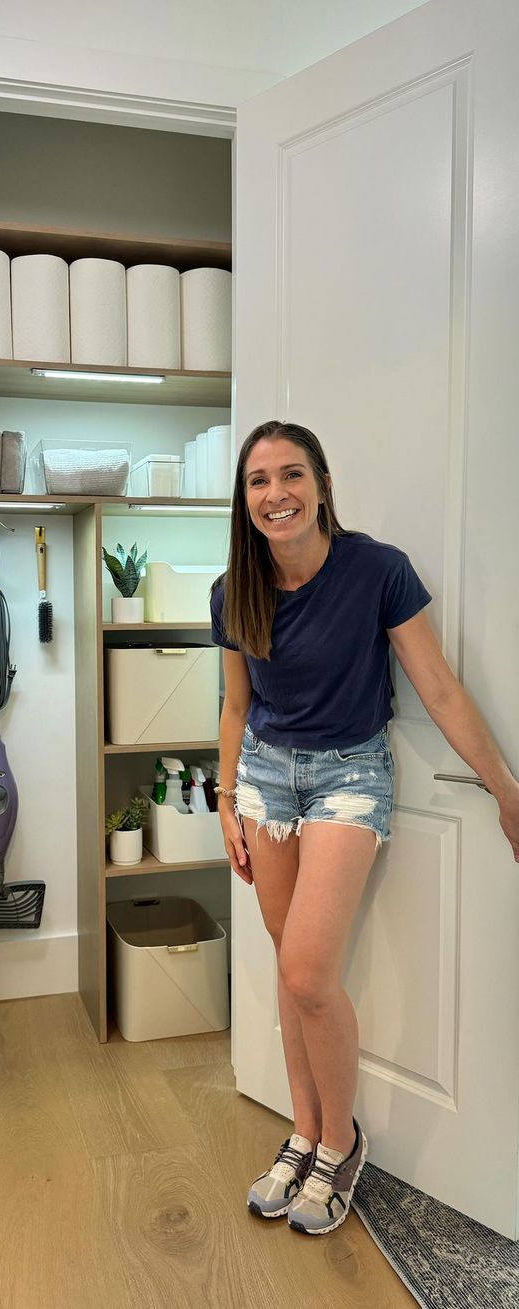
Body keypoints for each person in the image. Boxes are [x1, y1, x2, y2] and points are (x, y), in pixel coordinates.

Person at [210, 419, 519, 1237]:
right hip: (267, 779)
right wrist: (224, 796)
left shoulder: (377, 570)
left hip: (350, 772)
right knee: (288, 965)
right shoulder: (232, 589)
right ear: (244, 502)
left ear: (320, 486)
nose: (275, 493)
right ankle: (304, 1130)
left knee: (309, 970)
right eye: (258, 481)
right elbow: (236, 706)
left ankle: (342, 1143)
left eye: (290, 474)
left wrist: (506, 789)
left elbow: (441, 690)